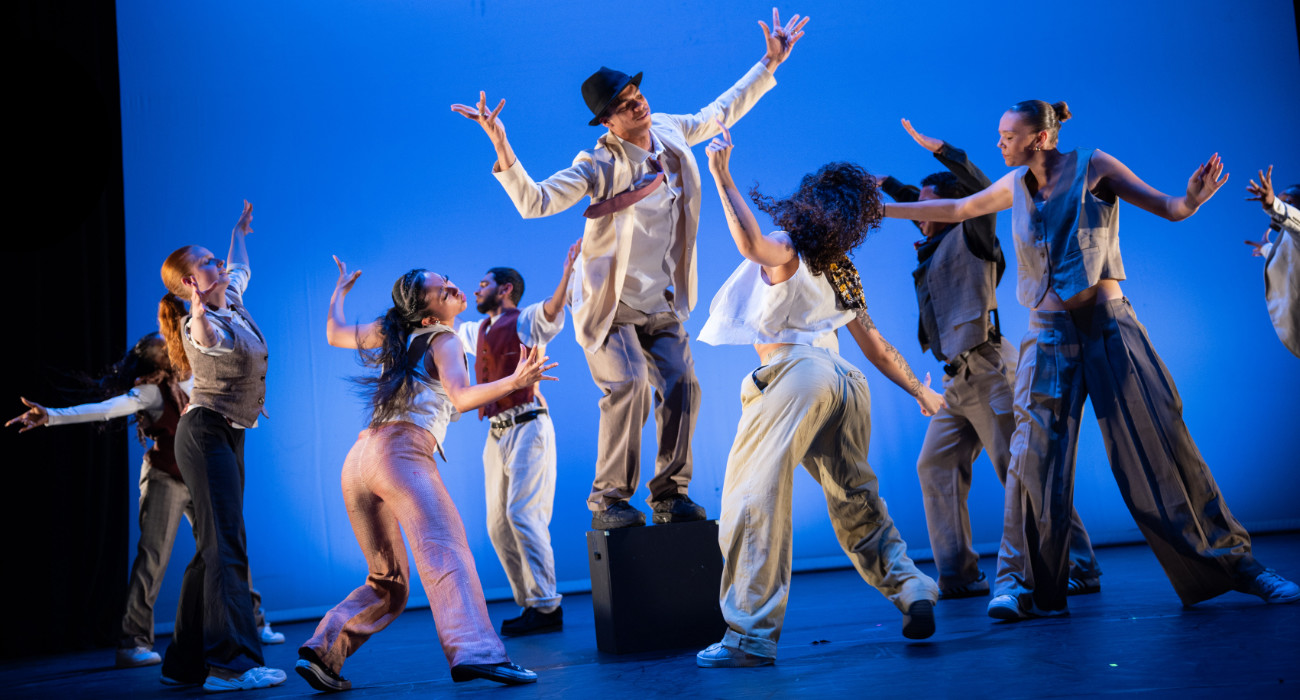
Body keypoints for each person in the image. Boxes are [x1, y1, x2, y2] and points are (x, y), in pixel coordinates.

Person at [881, 100, 1300, 620]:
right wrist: (882, 211)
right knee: (1031, 460)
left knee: (1161, 443)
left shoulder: (1094, 166)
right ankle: (1020, 583)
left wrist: (1191, 199)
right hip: (1047, 337)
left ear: (1039, 138)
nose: (1000, 143)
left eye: (1008, 135)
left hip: (1109, 328)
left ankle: (1239, 566)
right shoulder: (1014, 186)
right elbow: (957, 210)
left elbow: (1170, 207)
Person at [452, 9, 809, 530]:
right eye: (623, 104)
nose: (636, 102)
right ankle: (610, 499)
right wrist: (501, 143)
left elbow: (721, 110)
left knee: (684, 384)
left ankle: (671, 493)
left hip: (662, 300)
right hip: (612, 306)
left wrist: (769, 63)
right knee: (629, 385)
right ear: (608, 123)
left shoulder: (669, 130)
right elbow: (536, 202)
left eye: (635, 93)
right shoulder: (597, 164)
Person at [694, 122, 943, 668]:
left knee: (752, 500)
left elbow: (752, 245)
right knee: (856, 499)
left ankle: (749, 637)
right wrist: (920, 392)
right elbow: (877, 348)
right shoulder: (841, 269)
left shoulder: (790, 246)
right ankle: (910, 585)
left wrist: (722, 176)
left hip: (797, 375)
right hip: (846, 382)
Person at [294, 259, 554, 692]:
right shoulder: (443, 338)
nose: (453, 287)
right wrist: (515, 380)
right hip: (400, 456)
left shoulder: (394, 333)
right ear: (428, 314)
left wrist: (339, 292)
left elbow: (334, 333)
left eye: (448, 280)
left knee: (387, 581)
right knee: (447, 553)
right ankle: (479, 654)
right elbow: (462, 397)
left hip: (358, 460)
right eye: (441, 290)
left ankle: (324, 652)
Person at [876, 119, 1102, 600]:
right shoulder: (934, 239)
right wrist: (884, 185)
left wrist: (943, 150)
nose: (921, 212)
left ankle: (1078, 564)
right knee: (934, 465)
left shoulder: (973, 234)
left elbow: (975, 189)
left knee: (1021, 470)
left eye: (928, 204)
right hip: (956, 381)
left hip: (990, 370)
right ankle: (959, 576)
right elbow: (922, 204)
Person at [5, 333, 284, 671]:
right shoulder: (150, 392)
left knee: (227, 545)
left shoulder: (197, 377)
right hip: (165, 478)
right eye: (165, 347)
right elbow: (106, 410)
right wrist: (51, 415)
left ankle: (253, 621)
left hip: (200, 477)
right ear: (159, 362)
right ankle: (133, 642)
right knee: (152, 557)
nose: (173, 345)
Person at [155, 201, 286, 691]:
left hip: (227, 433)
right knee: (227, 543)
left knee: (211, 545)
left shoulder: (231, 295)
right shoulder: (199, 322)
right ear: (192, 282)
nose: (221, 264)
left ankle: (182, 662)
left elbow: (241, 267)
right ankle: (232, 664)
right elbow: (206, 338)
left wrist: (239, 233)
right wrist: (198, 313)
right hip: (205, 434)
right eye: (210, 261)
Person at [451, 241, 580, 637]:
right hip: (496, 433)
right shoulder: (477, 330)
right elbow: (448, 330)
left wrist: (567, 273)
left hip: (528, 425)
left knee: (523, 514)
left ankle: (546, 606)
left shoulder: (524, 321)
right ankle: (530, 603)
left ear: (504, 289)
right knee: (497, 525)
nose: (477, 290)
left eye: (483, 284)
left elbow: (552, 311)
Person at [1244, 167, 1299, 358]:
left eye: (1287, 201)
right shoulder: (1288, 240)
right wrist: (1265, 248)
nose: (1283, 203)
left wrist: (1273, 205)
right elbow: (1287, 257)